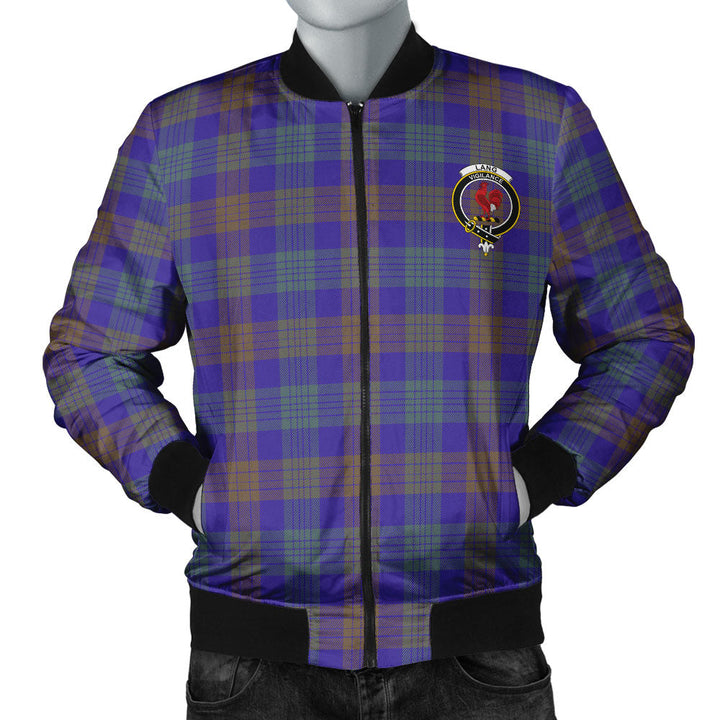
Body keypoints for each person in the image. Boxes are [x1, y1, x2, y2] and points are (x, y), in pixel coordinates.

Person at [41, 1, 695, 718]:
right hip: (254, 652)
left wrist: (531, 479)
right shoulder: (182, 136)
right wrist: (191, 487)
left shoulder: (536, 123)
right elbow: (90, 350)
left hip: (476, 649)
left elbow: (644, 334)